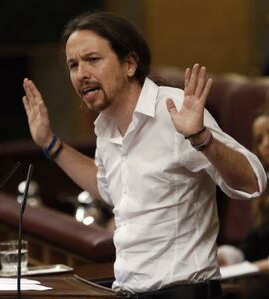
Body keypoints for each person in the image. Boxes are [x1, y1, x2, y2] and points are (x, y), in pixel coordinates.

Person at [22, 11, 267, 298]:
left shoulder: (173, 110)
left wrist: (202, 138)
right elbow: (108, 186)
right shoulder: (107, 125)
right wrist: (50, 143)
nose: (81, 74)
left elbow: (253, 182)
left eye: (92, 59)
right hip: (128, 289)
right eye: (73, 65)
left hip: (183, 292)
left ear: (129, 63)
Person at [218, 101, 269, 272]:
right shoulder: (264, 186)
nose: (266, 144)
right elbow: (252, 246)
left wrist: (248, 269)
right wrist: (224, 258)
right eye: (259, 139)